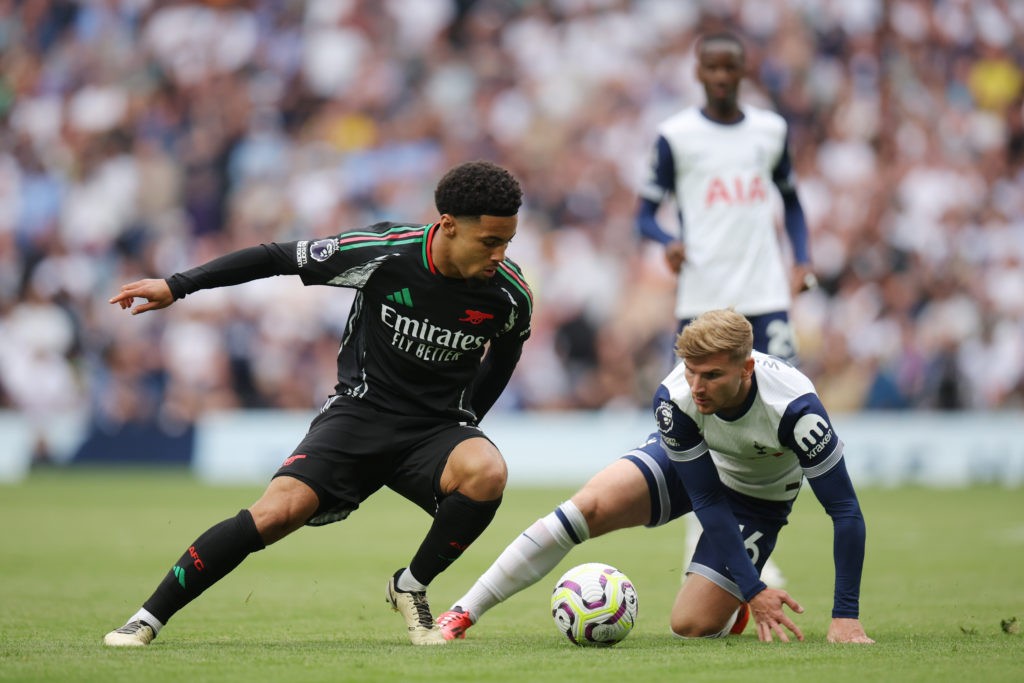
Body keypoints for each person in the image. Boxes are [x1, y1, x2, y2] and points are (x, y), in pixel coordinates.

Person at [102, 160, 533, 647]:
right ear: (448, 226)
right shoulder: (385, 253)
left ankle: (410, 585)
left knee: (488, 470)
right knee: (274, 515)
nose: (500, 254)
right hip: (360, 415)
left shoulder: (509, 294)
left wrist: (469, 420)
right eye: (490, 242)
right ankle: (145, 619)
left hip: (435, 431)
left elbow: (505, 355)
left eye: (507, 243)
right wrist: (178, 285)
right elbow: (275, 256)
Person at [436, 309, 873, 645]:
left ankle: (729, 605)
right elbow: (705, 499)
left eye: (713, 375)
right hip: (690, 467)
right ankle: (463, 612)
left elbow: (845, 510)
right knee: (586, 507)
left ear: (746, 370)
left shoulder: (797, 411)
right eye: (691, 371)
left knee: (691, 626)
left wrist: (845, 616)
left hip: (758, 498)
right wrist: (755, 586)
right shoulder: (676, 397)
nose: (698, 386)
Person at [635, 30, 816, 584]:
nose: (719, 76)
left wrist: (802, 260)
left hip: (765, 295)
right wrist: (665, 241)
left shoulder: (770, 130)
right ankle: (707, 534)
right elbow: (644, 211)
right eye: (710, 68)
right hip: (703, 301)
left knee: (784, 408)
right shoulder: (676, 136)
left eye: (728, 68)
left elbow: (791, 200)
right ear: (698, 72)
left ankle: (759, 537)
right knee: (701, 414)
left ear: (743, 71)